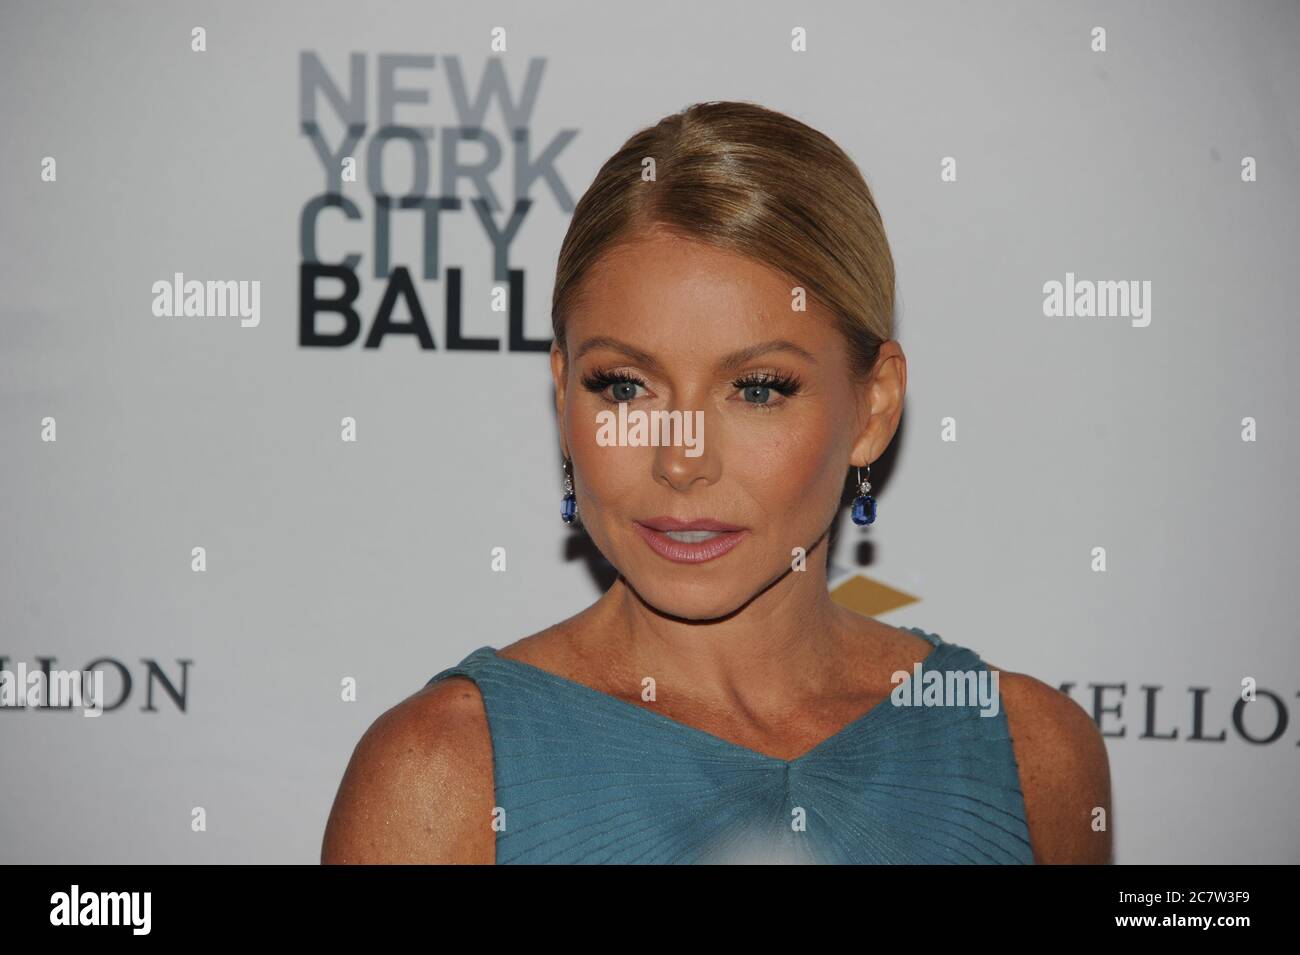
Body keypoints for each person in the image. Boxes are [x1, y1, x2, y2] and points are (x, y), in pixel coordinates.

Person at [321, 100, 1112, 864]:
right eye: (625, 385)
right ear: (564, 394)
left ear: (873, 407)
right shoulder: (441, 774)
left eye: (758, 388)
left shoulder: (1030, 753)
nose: (681, 459)